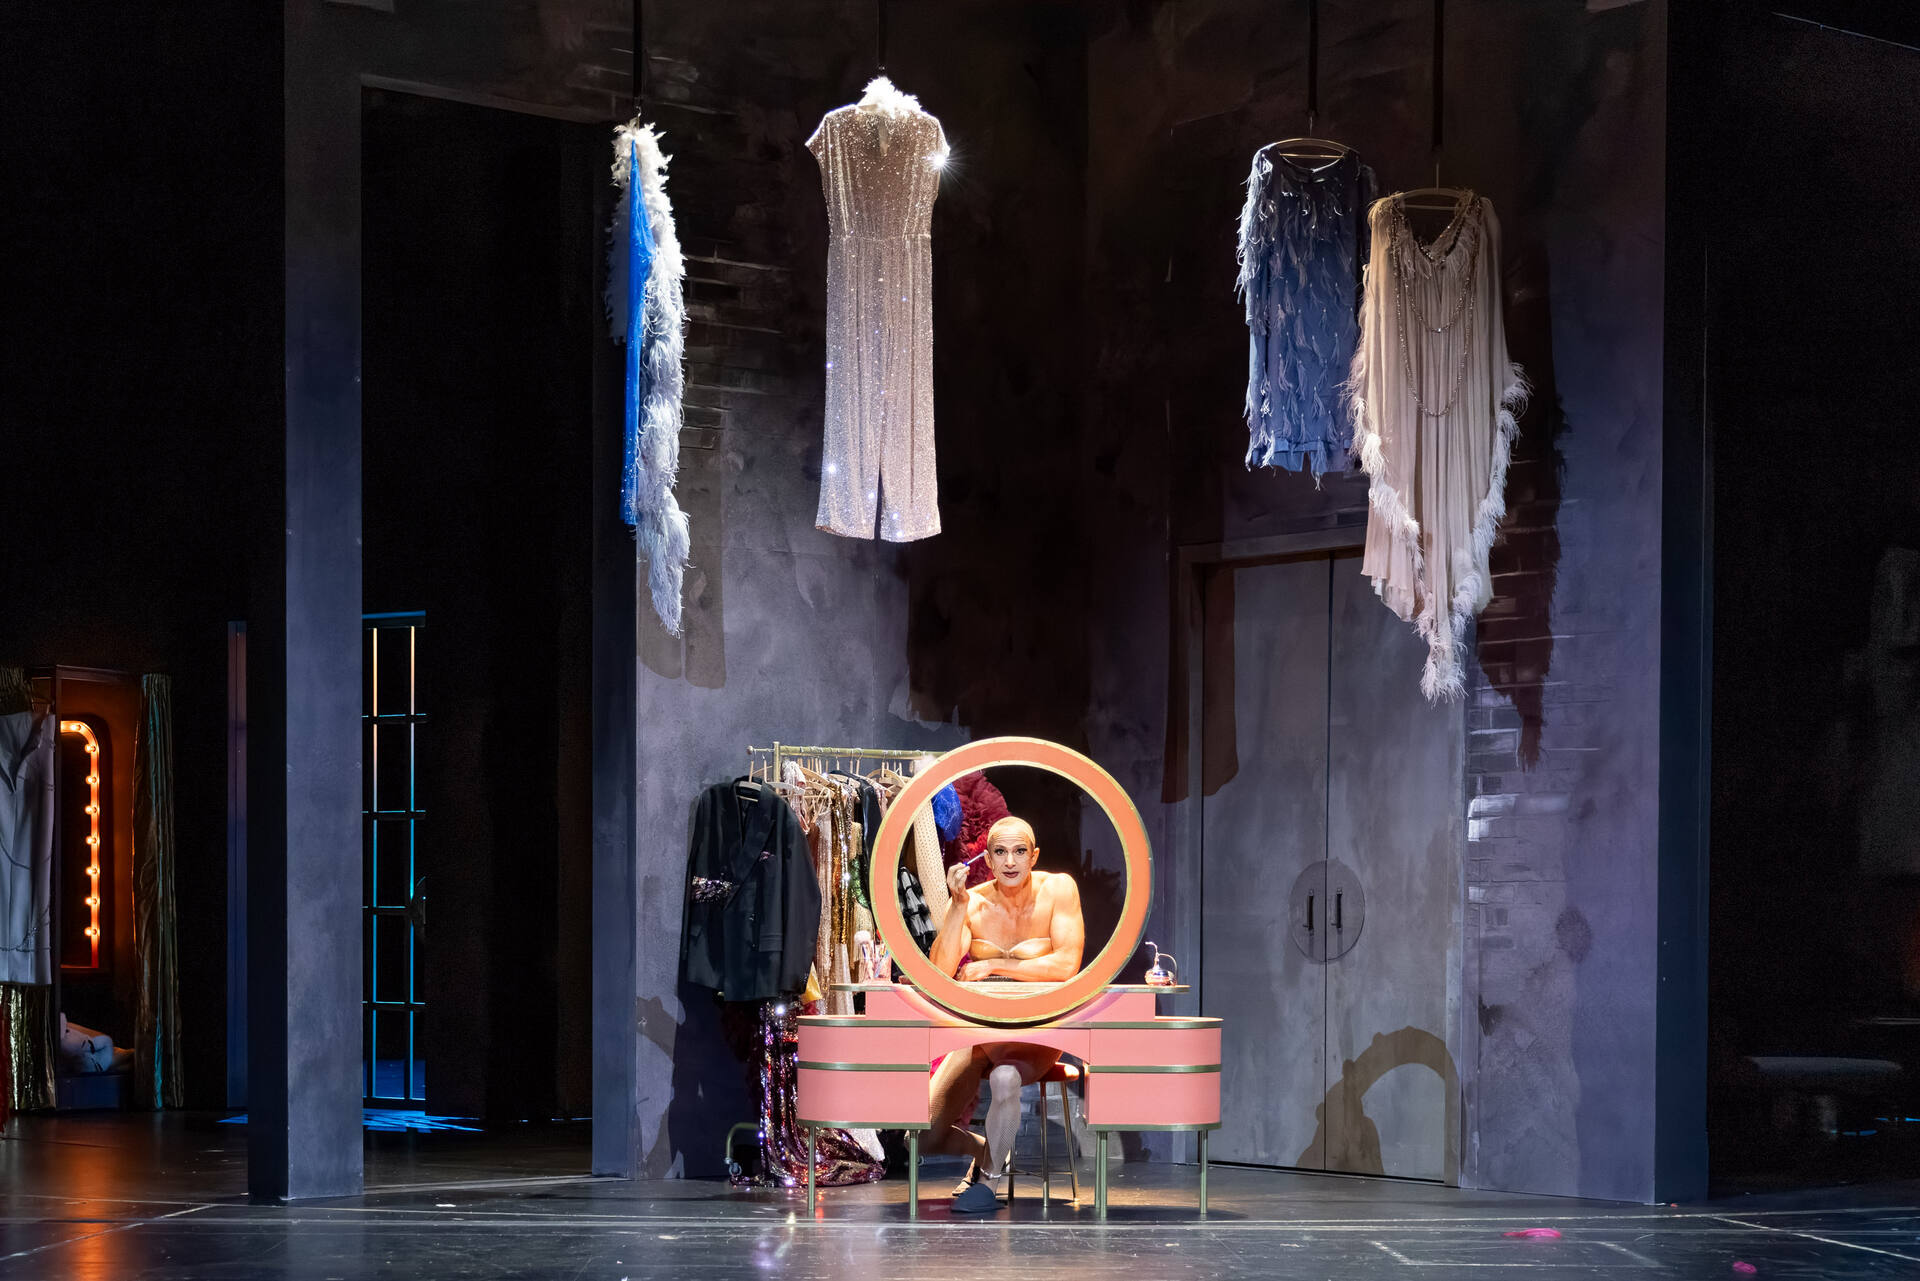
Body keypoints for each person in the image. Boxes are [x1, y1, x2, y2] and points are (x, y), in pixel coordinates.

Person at [923, 816, 1084, 1213]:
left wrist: (996, 966)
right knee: (922, 1136)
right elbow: (940, 971)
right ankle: (989, 1151)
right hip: (981, 1033)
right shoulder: (974, 901)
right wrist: (957, 906)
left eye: (1019, 851)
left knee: (1005, 1077)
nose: (1010, 861)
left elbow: (1067, 963)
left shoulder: (1058, 889)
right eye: (1000, 852)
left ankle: (989, 1184)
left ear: (1034, 856)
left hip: (1036, 1031)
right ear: (988, 859)